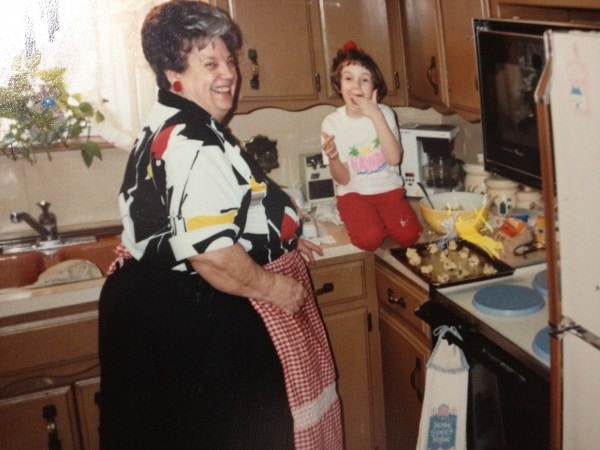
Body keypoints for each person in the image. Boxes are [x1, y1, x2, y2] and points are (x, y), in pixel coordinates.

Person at [98, 2, 342, 449]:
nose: (228, 72)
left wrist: (277, 239)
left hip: (159, 315)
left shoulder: (174, 121)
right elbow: (211, 252)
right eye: (209, 63)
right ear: (174, 72)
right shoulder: (195, 141)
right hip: (196, 318)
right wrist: (275, 286)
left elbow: (210, 217)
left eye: (229, 60)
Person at [321, 41, 422, 251]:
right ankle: (375, 223)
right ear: (339, 86)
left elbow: (394, 159)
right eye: (348, 78)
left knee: (410, 236)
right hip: (354, 195)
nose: (356, 86)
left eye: (364, 80)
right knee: (369, 240)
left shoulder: (384, 113)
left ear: (374, 88)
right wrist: (333, 158)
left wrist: (375, 114)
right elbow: (343, 179)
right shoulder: (332, 123)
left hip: (389, 191)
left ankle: (383, 221)